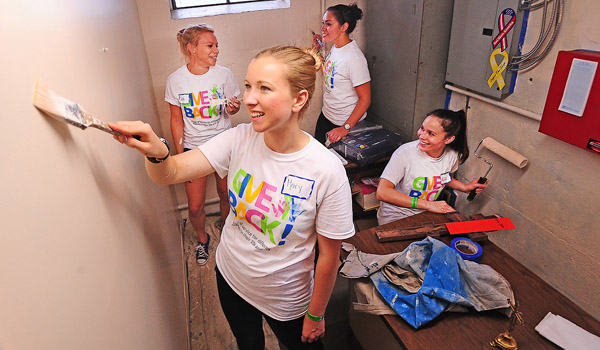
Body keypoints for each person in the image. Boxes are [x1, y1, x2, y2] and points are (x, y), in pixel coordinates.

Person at [109, 46, 355, 350]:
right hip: (231, 278)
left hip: (286, 298)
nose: (249, 98)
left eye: (264, 88)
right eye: (249, 85)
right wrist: (158, 151)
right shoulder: (239, 138)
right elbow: (169, 173)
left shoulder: (325, 169)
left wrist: (316, 314)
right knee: (248, 343)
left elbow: (329, 255)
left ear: (299, 99)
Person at [165, 24, 241, 266]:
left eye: (217, 45)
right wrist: (180, 157)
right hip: (193, 149)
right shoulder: (175, 80)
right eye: (210, 45)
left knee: (226, 194)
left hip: (223, 143)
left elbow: (232, 107)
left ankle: (228, 233)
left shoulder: (224, 75)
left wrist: (233, 108)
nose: (216, 50)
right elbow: (176, 119)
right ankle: (202, 239)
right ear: (191, 48)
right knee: (196, 206)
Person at [376, 109, 488, 226]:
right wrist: (428, 205)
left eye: (431, 133)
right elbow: (382, 192)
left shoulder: (451, 155)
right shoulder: (404, 153)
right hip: (396, 216)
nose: (422, 135)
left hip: (425, 213)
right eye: (422, 128)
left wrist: (464, 187)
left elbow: (442, 177)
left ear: (449, 139)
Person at [312, 3, 371, 145]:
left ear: (344, 27)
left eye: (328, 24)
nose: (323, 29)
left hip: (344, 124)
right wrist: (318, 50)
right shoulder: (336, 48)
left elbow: (365, 99)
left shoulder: (354, 59)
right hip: (326, 116)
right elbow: (328, 74)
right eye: (323, 23)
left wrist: (345, 128)